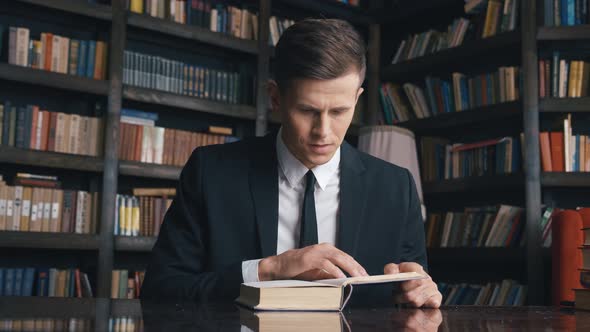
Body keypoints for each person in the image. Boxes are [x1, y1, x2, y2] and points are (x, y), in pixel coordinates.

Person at [141, 18, 442, 308]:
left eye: (339, 111)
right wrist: (269, 270)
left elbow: (410, 297)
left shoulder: (395, 187)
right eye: (307, 110)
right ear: (275, 98)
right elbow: (160, 291)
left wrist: (420, 296)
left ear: (357, 98)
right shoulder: (210, 173)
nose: (323, 132)